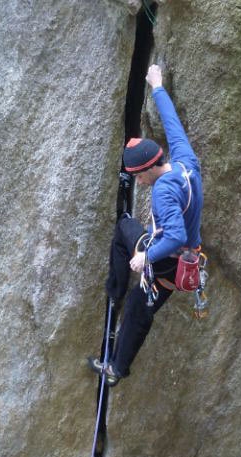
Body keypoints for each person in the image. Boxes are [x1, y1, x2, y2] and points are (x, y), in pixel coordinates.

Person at [88, 64, 203, 386]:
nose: (138, 180)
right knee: (125, 228)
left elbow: (176, 234)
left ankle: (116, 369)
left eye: (139, 175)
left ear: (151, 168)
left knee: (139, 315)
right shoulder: (185, 162)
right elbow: (174, 125)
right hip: (178, 252)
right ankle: (116, 288)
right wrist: (157, 86)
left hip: (165, 264)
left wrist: (144, 259)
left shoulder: (163, 192)